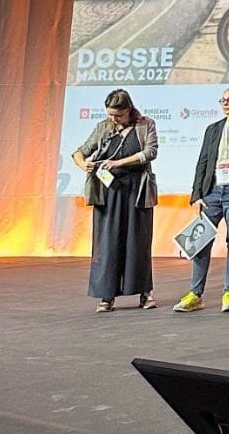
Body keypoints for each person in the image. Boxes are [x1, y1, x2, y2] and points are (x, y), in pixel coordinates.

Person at [174, 86, 229, 314]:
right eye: (222, 99)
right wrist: (197, 194)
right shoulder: (213, 129)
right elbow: (203, 162)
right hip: (212, 191)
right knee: (201, 241)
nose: (225, 103)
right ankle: (195, 294)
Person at [72, 89, 158, 312]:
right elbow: (79, 152)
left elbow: (150, 152)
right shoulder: (103, 127)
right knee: (107, 243)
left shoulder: (145, 125)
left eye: (118, 115)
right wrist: (83, 164)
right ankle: (106, 296)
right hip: (108, 192)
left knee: (138, 242)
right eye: (110, 114)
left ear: (128, 109)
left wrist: (119, 163)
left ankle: (145, 293)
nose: (114, 119)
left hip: (137, 191)